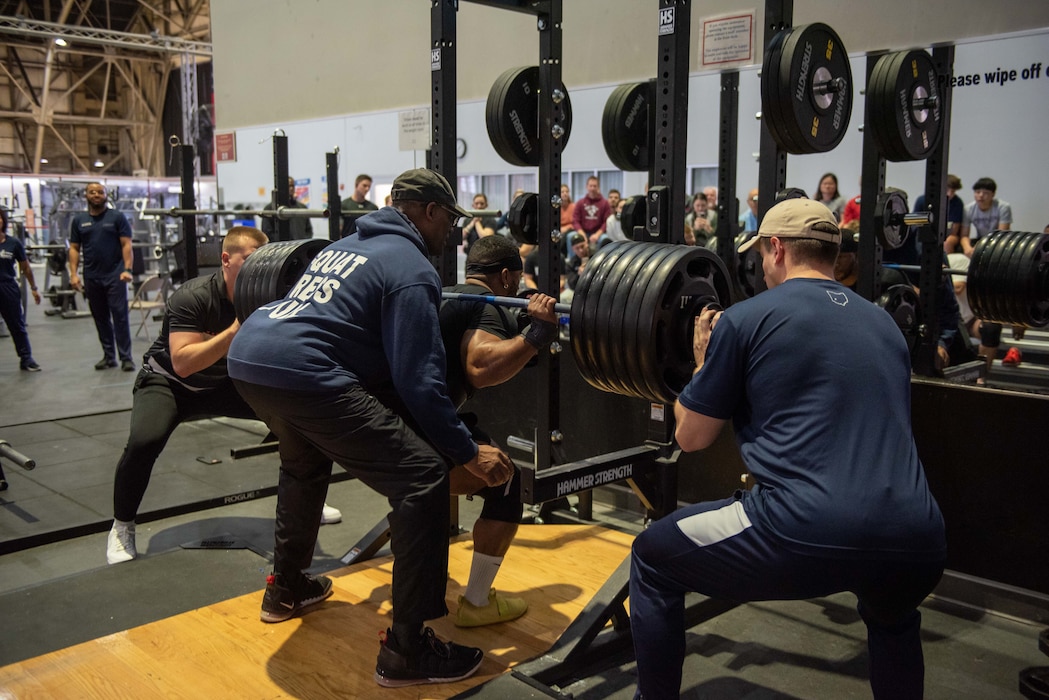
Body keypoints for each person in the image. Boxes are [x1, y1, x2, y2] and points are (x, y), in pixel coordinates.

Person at [629, 198, 946, 700]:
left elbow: (691, 437)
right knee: (893, 619)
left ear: (776, 249)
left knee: (651, 556)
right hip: (919, 535)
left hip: (802, 529)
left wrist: (700, 364)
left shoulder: (745, 319)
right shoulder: (885, 324)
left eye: (759, 255)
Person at [227, 168, 514, 688]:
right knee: (423, 476)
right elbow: (419, 381)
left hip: (250, 356)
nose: (450, 230)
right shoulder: (410, 266)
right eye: (449, 219)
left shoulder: (341, 247)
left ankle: (285, 587)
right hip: (302, 369)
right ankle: (407, 650)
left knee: (303, 463)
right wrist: (466, 450)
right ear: (428, 211)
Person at [104, 227, 343, 563]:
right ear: (226, 260)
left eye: (262, 260)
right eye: (249, 260)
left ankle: (306, 505)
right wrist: (234, 331)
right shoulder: (193, 296)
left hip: (224, 382)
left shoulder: (269, 294)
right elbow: (183, 363)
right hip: (170, 384)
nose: (258, 268)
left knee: (299, 421)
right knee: (145, 441)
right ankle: (122, 526)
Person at [440, 234, 558, 627]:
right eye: (517, 282)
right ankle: (476, 602)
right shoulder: (484, 305)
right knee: (505, 478)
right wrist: (535, 335)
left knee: (466, 449)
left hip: (385, 426)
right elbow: (480, 365)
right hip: (424, 434)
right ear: (506, 277)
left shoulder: (445, 293)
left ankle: (425, 580)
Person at [68, 181, 136, 372]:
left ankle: (126, 357)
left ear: (106, 195)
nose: (96, 194)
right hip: (91, 276)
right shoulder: (79, 220)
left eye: (100, 192)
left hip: (115, 275)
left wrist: (127, 269)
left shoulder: (116, 217)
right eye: (92, 192)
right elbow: (74, 248)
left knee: (120, 317)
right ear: (86, 196)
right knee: (100, 318)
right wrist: (73, 274)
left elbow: (127, 245)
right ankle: (109, 356)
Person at [959, 177, 1013, 371]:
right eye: (978, 192)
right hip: (977, 243)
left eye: (985, 193)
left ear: (992, 195)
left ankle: (981, 375)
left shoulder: (1003, 207)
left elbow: (1003, 233)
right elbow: (964, 235)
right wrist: (967, 248)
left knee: (990, 328)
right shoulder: (969, 208)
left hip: (996, 243)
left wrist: (986, 251)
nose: (981, 196)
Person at [0, 207, 41, 371]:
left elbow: (26, 268)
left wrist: (34, 288)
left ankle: (26, 358)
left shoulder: (13, 243)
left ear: (3, 221)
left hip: (7, 287)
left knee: (17, 325)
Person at [261, 177, 314, 242]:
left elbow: (308, 230)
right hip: (281, 248)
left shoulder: (302, 208)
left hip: (300, 247)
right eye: (288, 186)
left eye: (292, 186)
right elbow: (267, 232)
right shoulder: (269, 209)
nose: (291, 188)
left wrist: (303, 243)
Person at [572, 176, 612, 247]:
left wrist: (597, 235)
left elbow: (606, 222)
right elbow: (575, 221)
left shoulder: (605, 203)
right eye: (590, 186)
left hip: (599, 233)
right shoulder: (580, 203)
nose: (592, 188)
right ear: (586, 187)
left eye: (595, 186)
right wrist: (581, 233)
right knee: (570, 236)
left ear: (598, 187)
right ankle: (574, 258)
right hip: (583, 232)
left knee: (605, 239)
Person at [339, 174, 378, 238]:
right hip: (348, 242)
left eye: (369, 187)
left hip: (366, 242)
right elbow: (339, 229)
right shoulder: (344, 205)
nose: (367, 189)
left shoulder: (373, 207)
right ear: (356, 185)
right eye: (364, 186)